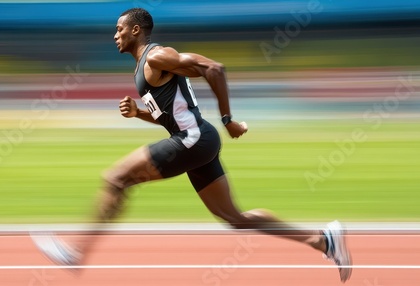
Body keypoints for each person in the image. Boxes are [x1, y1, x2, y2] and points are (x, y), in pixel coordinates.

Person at [32, 7, 352, 283]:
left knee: (115, 178)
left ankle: (75, 253)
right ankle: (323, 241)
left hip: (194, 139)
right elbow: (169, 118)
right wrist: (139, 113)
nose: (114, 35)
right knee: (234, 217)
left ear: (135, 30)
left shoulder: (156, 55)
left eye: (118, 30)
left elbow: (214, 68)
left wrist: (228, 120)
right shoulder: (143, 68)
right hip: (197, 139)